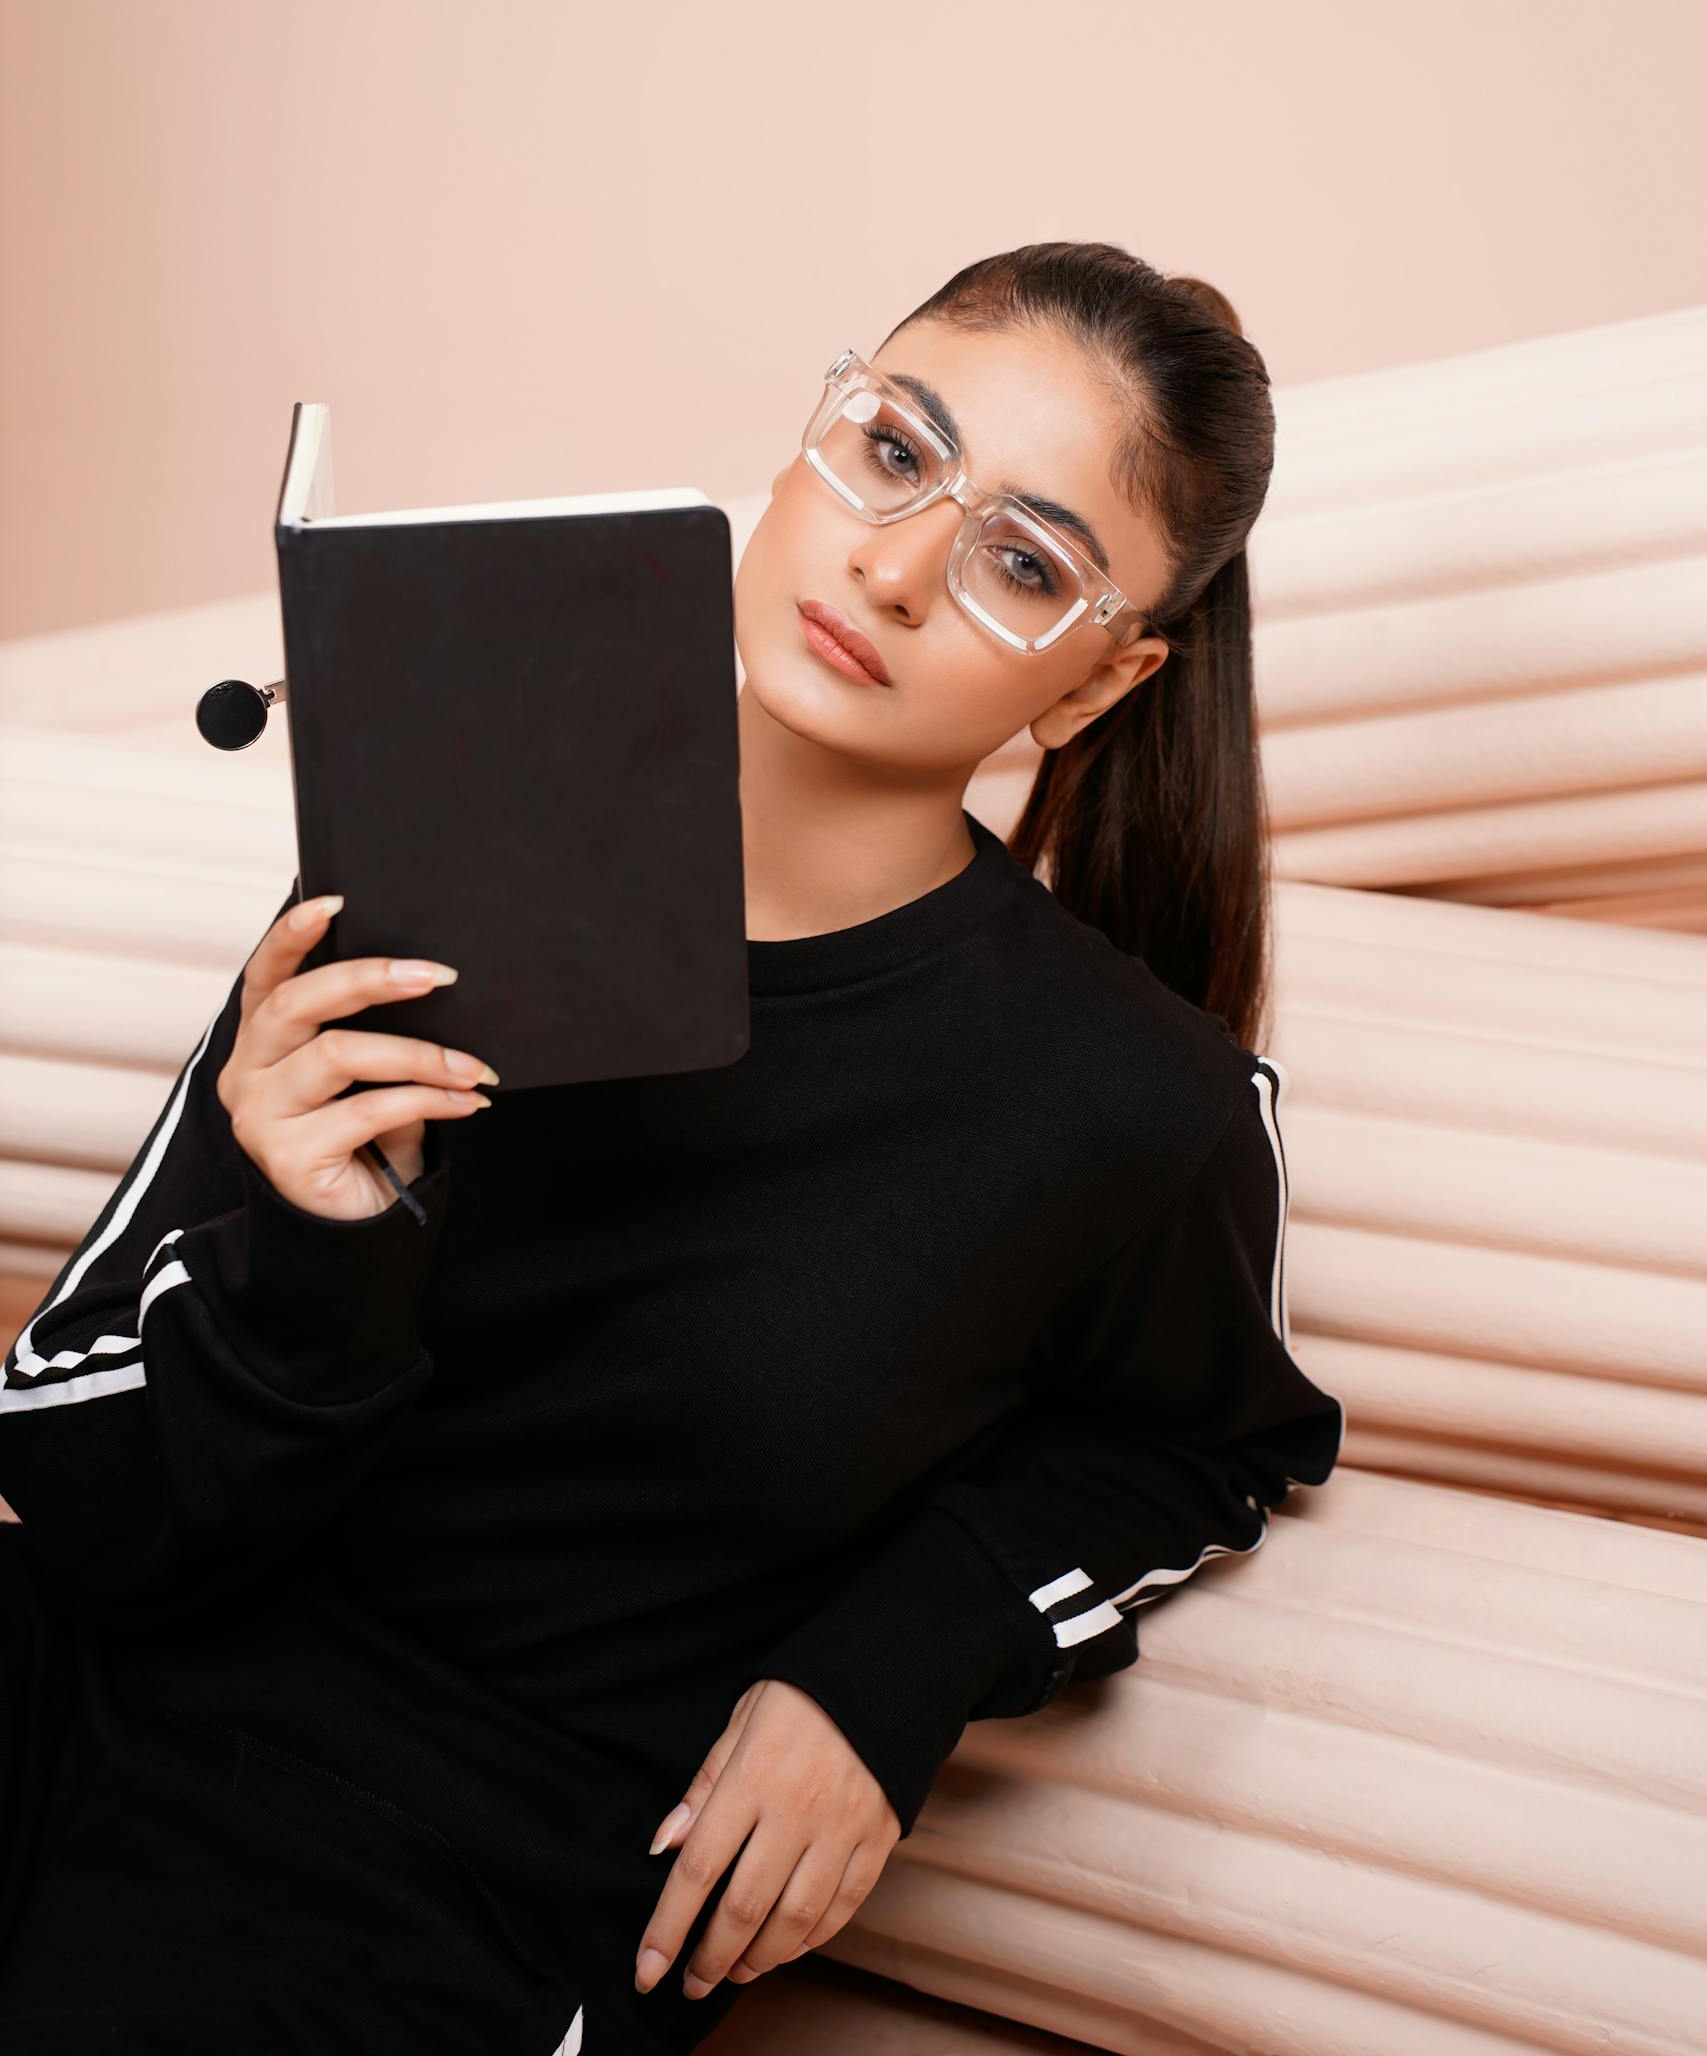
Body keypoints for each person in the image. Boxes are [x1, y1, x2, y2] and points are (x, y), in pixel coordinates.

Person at [0, 241, 1345, 2054]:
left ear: (1097, 686)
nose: (890, 566)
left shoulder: (1138, 1109)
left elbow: (1204, 1446)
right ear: (812, 434)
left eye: (1022, 564)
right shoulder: (448, 848)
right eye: (890, 452)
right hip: (86, 1682)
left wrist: (894, 1667)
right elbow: (78, 1489)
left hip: (450, 1893)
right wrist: (316, 1251)